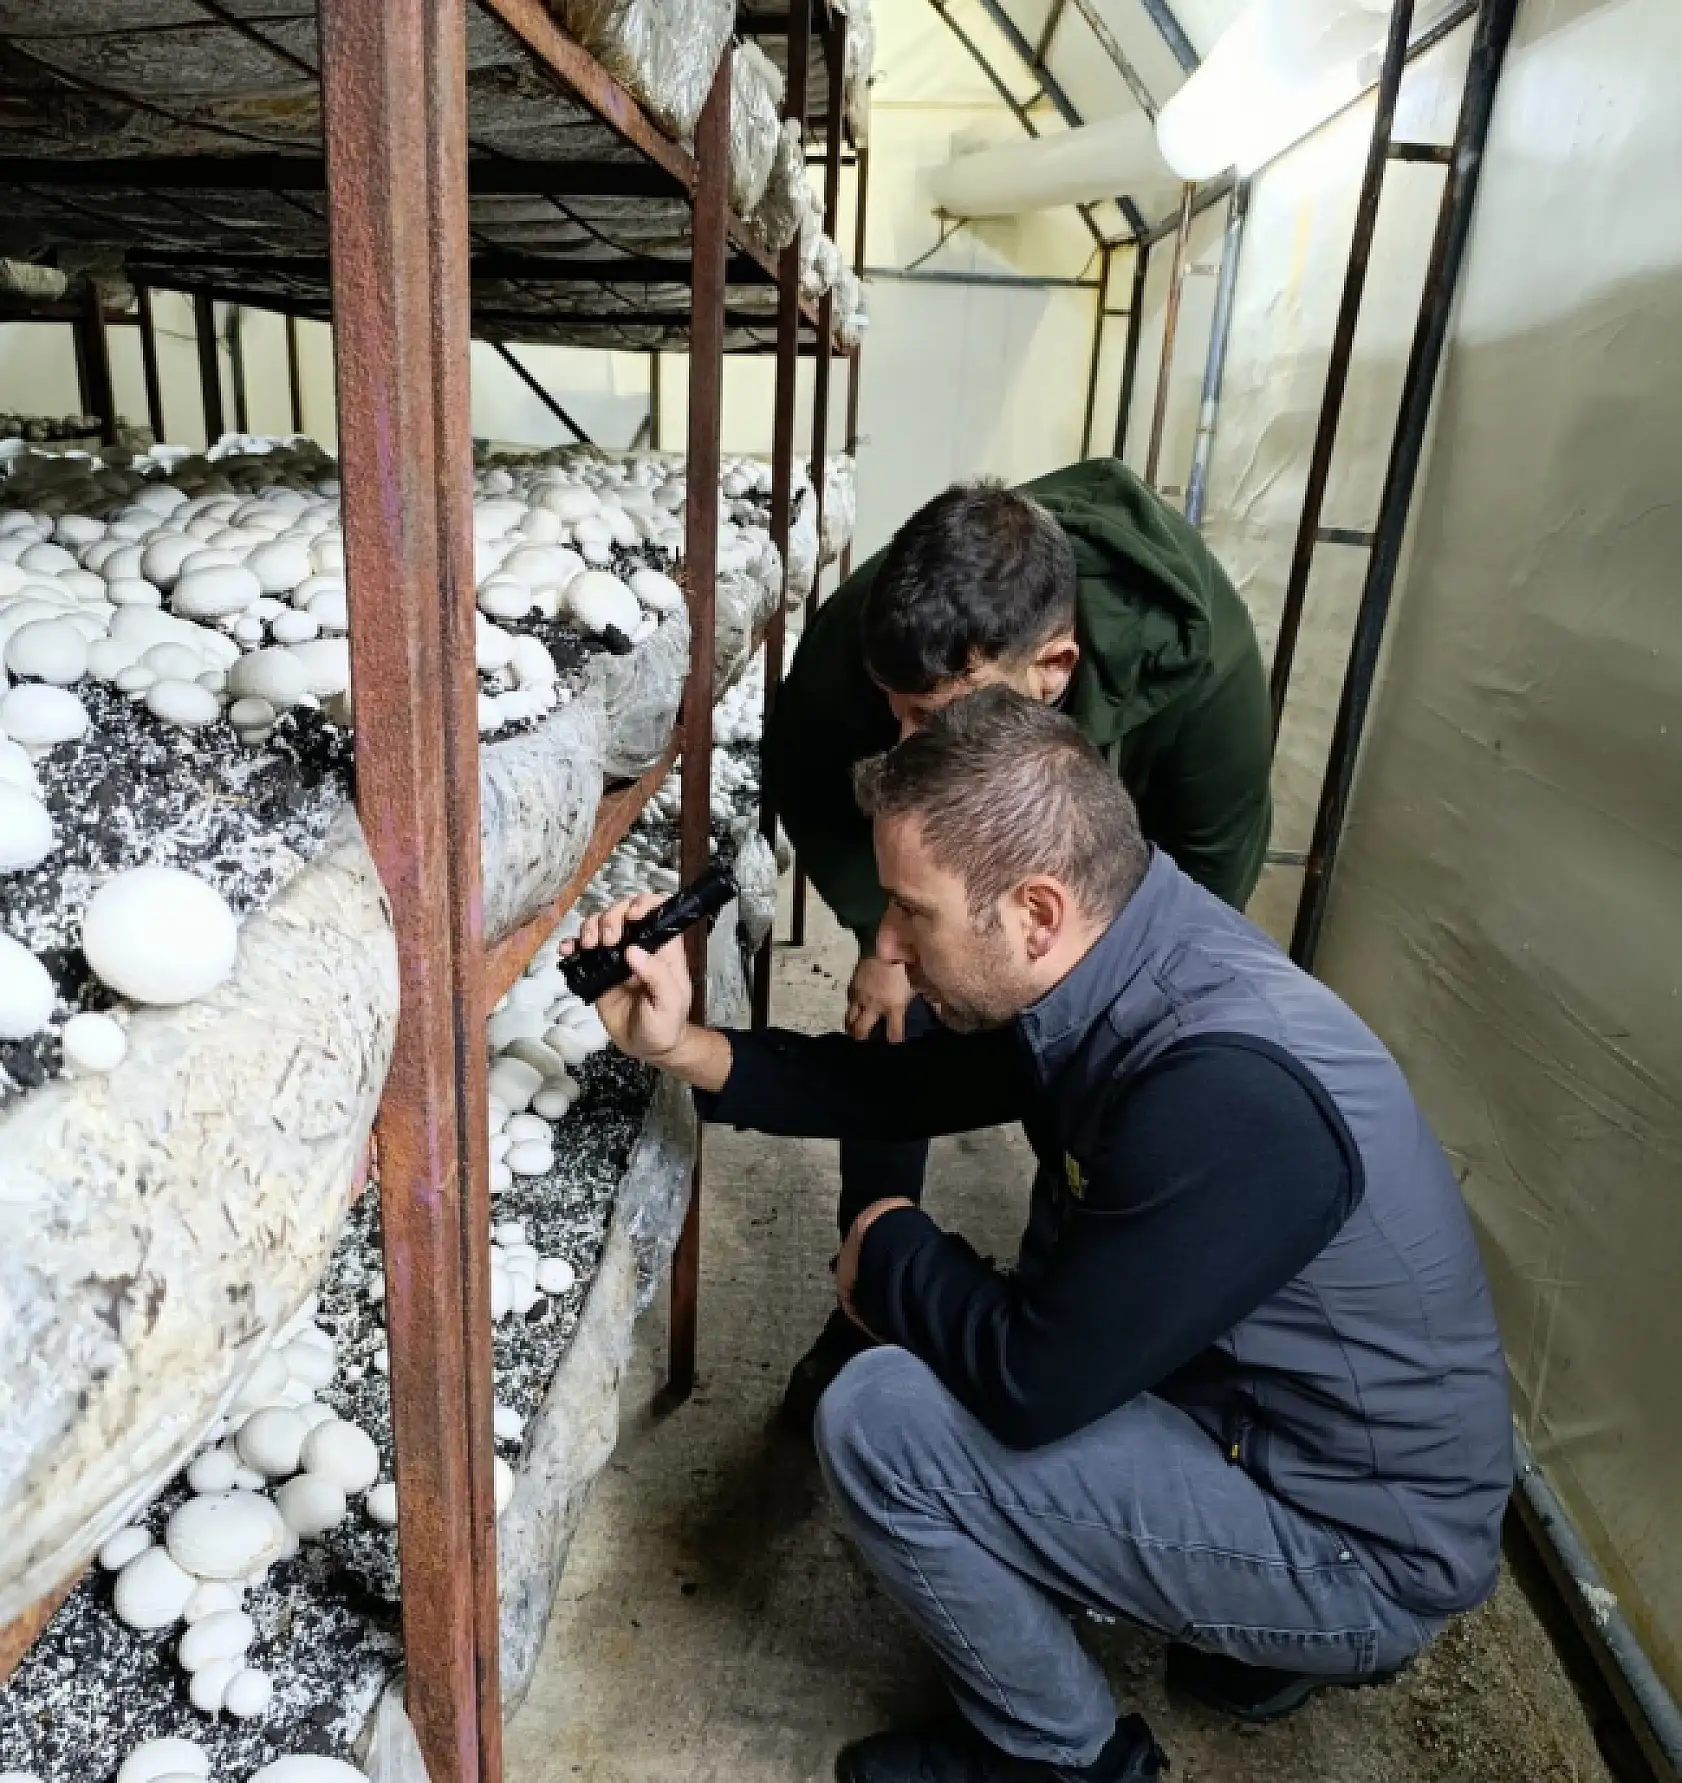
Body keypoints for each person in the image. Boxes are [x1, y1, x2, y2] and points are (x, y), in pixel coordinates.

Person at [578, 691, 1512, 1783]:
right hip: (1266, 1425)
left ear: (1034, 912)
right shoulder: (1128, 953)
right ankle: (1231, 1630)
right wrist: (681, 1045)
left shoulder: (1223, 1092)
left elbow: (1032, 1382)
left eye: (908, 911)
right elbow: (901, 1088)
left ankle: (1062, 1755)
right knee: (997, 1300)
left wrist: (891, 1248)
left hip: (1361, 1550)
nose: (885, 945)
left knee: (884, 1418)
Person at [764, 459, 1275, 1426]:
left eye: (933, 718)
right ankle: (867, 1307)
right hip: (957, 849)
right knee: (903, 1022)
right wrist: (885, 932)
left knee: (1099, 1067)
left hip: (1117, 872)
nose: (906, 741)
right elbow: (805, 772)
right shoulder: (877, 633)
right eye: (895, 712)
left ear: (1054, 670)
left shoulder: (1206, 681)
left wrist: (1105, 1010)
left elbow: (1212, 866)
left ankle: (1068, 1310)